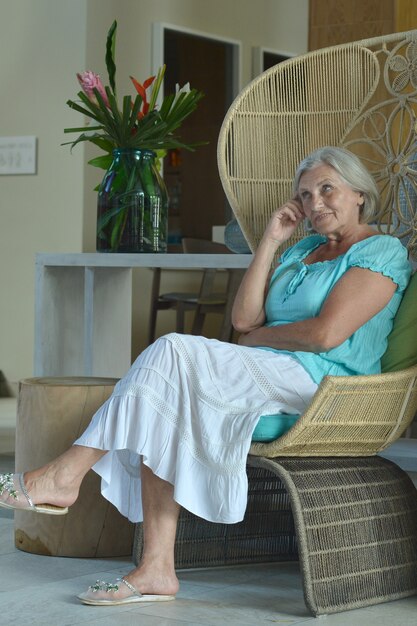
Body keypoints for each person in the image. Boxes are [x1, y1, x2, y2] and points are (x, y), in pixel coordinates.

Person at [0, 146, 411, 606]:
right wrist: (272, 241)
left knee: (173, 350)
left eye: (327, 189)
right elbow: (243, 318)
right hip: (270, 373)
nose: (315, 203)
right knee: (168, 393)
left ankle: (66, 473)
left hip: (324, 388)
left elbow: (325, 335)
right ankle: (156, 569)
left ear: (359, 192)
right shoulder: (305, 250)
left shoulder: (381, 250)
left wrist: (259, 340)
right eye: (305, 194)